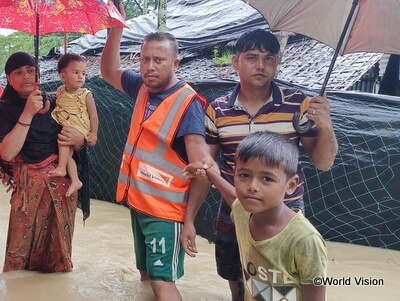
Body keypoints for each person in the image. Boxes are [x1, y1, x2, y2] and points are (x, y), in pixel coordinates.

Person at [197, 29, 338, 300]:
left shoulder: (299, 104)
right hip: (234, 206)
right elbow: (208, 166)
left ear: (277, 63)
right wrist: (189, 219)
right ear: (235, 62)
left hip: (284, 208)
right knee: (234, 273)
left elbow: (323, 163)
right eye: (252, 57)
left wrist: (326, 126)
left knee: (283, 280)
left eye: (269, 58)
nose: (261, 65)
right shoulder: (218, 109)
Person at [100, 4, 216, 301]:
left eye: (159, 60)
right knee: (146, 275)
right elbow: (109, 70)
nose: (150, 66)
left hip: (165, 213)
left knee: (162, 283)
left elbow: (200, 161)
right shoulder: (141, 87)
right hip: (139, 205)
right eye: (145, 59)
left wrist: (189, 220)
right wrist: (116, 25)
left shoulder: (188, 103)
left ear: (176, 63)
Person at [183, 131, 327, 301]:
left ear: (291, 185)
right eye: (244, 175)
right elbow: (232, 196)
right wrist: (210, 172)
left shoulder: (305, 240)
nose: (252, 186)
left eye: (266, 178)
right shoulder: (243, 214)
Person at [0, 51, 88, 272]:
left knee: (59, 256)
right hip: (29, 191)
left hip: (63, 188)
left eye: (30, 71)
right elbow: (7, 153)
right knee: (21, 255)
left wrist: (80, 141)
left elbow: (77, 139)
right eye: (18, 73)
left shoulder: (57, 102)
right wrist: (28, 113)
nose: (26, 76)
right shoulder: (4, 109)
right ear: (9, 79)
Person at [50, 53, 99, 197]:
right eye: (76, 72)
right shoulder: (60, 90)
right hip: (67, 125)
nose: (80, 77)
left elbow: (94, 115)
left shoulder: (86, 94)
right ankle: (76, 180)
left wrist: (94, 133)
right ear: (63, 77)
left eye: (83, 73)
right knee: (68, 156)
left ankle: (61, 168)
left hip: (78, 126)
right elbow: (55, 96)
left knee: (63, 140)